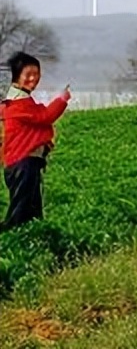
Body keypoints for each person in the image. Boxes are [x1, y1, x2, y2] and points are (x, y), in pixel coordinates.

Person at [1, 51, 71, 232]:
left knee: (31, 206)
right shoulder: (18, 105)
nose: (34, 79)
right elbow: (44, 117)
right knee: (21, 209)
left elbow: (35, 124)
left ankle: (34, 234)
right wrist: (62, 99)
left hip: (25, 162)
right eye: (29, 75)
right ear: (17, 77)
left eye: (36, 74)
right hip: (22, 163)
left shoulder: (17, 101)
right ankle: (13, 235)